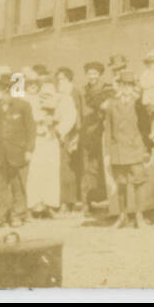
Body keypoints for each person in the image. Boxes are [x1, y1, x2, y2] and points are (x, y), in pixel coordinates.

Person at [0, 71, 36, 228]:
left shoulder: (23, 106)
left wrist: (28, 150)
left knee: (18, 185)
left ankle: (17, 215)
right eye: (3, 88)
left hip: (17, 152)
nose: (6, 92)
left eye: (10, 88)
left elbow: (31, 130)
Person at [106, 70, 154, 228]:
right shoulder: (112, 103)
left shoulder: (138, 102)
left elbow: (145, 127)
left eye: (129, 85)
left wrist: (146, 148)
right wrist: (109, 151)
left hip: (135, 147)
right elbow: (108, 129)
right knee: (121, 183)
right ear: (119, 85)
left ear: (134, 86)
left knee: (139, 181)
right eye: (123, 84)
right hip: (118, 149)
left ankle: (139, 216)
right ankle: (122, 216)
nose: (126, 88)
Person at [79, 60, 109, 211]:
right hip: (88, 132)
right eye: (89, 73)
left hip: (101, 130)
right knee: (89, 167)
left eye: (95, 73)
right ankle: (87, 201)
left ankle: (109, 200)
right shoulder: (85, 90)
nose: (92, 76)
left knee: (104, 165)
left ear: (99, 75)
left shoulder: (105, 89)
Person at [27, 89, 62, 217]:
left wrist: (54, 123)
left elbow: (60, 124)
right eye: (43, 99)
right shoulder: (34, 111)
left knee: (51, 173)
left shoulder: (56, 112)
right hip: (38, 142)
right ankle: (35, 205)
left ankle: (50, 204)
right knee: (36, 173)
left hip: (51, 143)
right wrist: (42, 122)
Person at [55, 67, 82, 210]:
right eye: (58, 79)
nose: (60, 82)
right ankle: (61, 200)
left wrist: (75, 135)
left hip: (70, 134)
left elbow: (77, 114)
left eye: (63, 79)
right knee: (60, 167)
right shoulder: (59, 94)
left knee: (68, 168)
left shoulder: (73, 92)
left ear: (69, 80)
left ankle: (69, 200)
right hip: (59, 134)